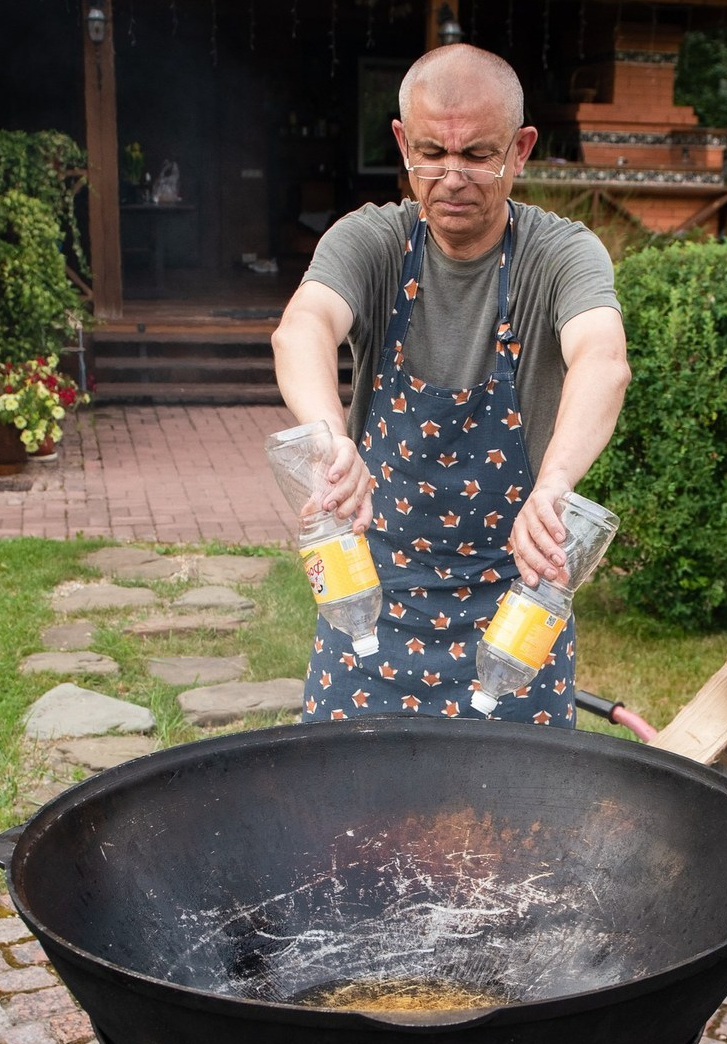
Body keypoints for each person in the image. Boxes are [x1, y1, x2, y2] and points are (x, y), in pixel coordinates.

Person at [271, 42, 630, 725]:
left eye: (476, 155)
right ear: (403, 143)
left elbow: (603, 360)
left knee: (517, 823)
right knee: (343, 820)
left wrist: (552, 486)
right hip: (365, 602)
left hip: (518, 613)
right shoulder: (372, 241)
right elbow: (303, 328)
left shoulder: (560, 256)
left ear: (520, 151)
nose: (452, 176)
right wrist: (328, 441)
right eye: (432, 153)